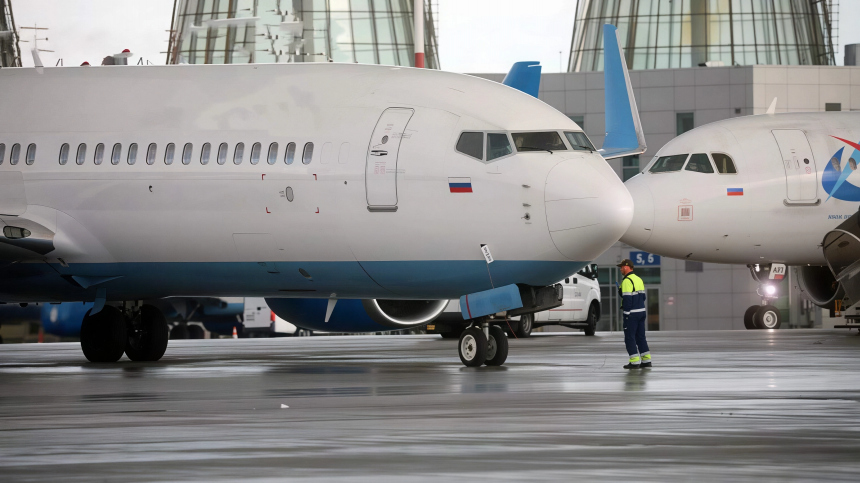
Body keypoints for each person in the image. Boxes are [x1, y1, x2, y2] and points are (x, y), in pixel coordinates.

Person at [617, 259, 651, 369]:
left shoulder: (627, 281)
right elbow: (643, 297)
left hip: (632, 314)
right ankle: (646, 360)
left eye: (621, 267)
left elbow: (627, 299)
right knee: (641, 337)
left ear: (627, 267)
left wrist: (626, 314)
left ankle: (634, 362)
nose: (621, 269)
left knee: (629, 337)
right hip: (641, 312)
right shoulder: (638, 279)